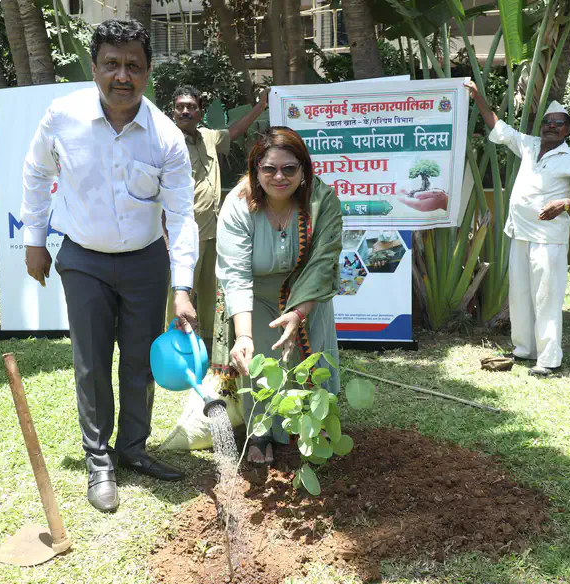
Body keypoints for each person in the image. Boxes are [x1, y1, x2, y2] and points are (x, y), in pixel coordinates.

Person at [21, 19, 199, 512]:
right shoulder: (63, 116)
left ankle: (133, 449)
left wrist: (182, 286)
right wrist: (35, 240)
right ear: (95, 67)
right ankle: (99, 462)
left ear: (148, 72)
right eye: (112, 64)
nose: (122, 76)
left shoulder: (165, 136)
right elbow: (36, 172)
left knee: (140, 363)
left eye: (133, 66)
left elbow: (182, 215)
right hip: (83, 258)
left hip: (145, 261)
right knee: (92, 362)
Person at [213, 127, 343, 464]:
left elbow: (323, 262)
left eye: (290, 168)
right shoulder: (239, 204)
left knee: (311, 359)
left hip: (307, 294)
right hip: (254, 296)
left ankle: (312, 425)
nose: (279, 177)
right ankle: (261, 432)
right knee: (259, 363)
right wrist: (242, 335)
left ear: (304, 170)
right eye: (269, 168)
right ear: (256, 169)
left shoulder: (322, 200)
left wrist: (299, 312)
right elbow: (236, 273)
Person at [466, 81, 570, 377]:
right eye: (547, 123)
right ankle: (524, 349)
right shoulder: (528, 145)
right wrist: (478, 97)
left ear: (567, 130)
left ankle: (549, 359)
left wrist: (565, 203)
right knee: (520, 294)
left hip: (548, 240)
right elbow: (496, 124)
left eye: (558, 124)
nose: (551, 127)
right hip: (520, 234)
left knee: (546, 297)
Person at [165, 86, 269, 348]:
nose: (185, 111)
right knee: (178, 293)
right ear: (173, 111)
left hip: (214, 231)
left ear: (200, 112)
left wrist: (260, 106)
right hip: (182, 235)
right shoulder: (165, 143)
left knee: (212, 293)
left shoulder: (209, 137)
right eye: (180, 107)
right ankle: (172, 346)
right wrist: (165, 235)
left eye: (191, 107)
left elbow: (235, 132)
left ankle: (210, 347)